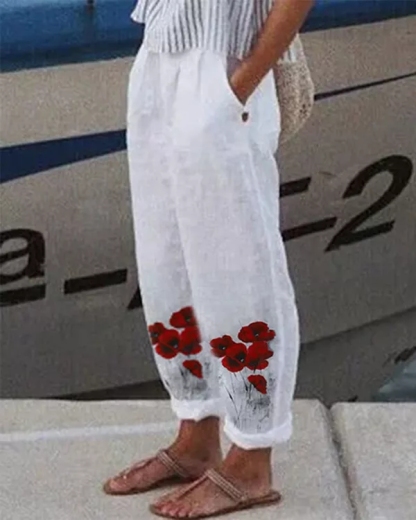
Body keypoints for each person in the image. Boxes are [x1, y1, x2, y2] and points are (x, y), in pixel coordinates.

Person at [103, 0, 315, 518]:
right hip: (160, 57)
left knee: (239, 265)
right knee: (167, 259)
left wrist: (239, 85)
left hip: (226, 63)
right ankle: (196, 434)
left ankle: (251, 460)